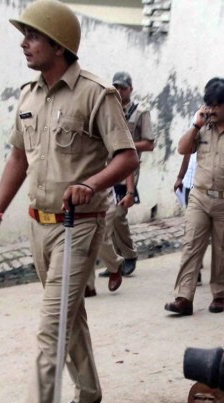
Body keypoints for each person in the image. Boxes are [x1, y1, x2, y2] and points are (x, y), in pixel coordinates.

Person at [0, 0, 138, 403]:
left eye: (32, 35)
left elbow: (126, 156)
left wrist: (90, 184)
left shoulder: (95, 94)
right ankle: (88, 392)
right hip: (38, 226)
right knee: (69, 315)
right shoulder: (28, 96)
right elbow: (17, 158)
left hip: (79, 226)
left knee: (51, 326)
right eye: (24, 35)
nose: (24, 43)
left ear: (58, 45)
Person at [164, 79, 224, 316]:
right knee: (191, 245)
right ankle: (184, 297)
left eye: (217, 105)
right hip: (200, 196)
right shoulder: (202, 127)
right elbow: (183, 149)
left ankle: (218, 294)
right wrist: (196, 126)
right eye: (209, 105)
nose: (213, 110)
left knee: (222, 250)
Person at [99, 71, 155, 278]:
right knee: (107, 215)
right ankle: (116, 259)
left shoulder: (140, 112)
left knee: (118, 213)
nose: (120, 91)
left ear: (130, 89)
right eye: (117, 87)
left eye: (123, 87)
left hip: (128, 167)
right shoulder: (108, 109)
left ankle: (129, 254)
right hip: (106, 166)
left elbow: (149, 143)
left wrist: (125, 145)